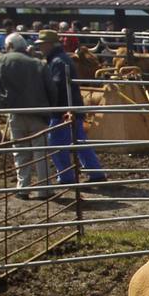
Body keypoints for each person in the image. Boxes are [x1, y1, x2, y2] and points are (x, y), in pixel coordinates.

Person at [0, 32, 55, 197]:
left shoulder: (1, 61)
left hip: (15, 114)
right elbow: (51, 89)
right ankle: (44, 189)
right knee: (41, 152)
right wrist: (50, 109)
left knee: (20, 151)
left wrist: (3, 99)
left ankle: (23, 188)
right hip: (38, 113)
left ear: (9, 46)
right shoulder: (38, 64)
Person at [38, 29, 106, 187]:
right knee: (79, 140)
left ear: (50, 44)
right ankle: (96, 172)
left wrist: (49, 103)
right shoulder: (62, 59)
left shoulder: (57, 62)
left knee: (55, 142)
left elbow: (57, 87)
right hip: (73, 107)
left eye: (42, 44)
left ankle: (66, 176)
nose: (40, 48)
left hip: (63, 110)